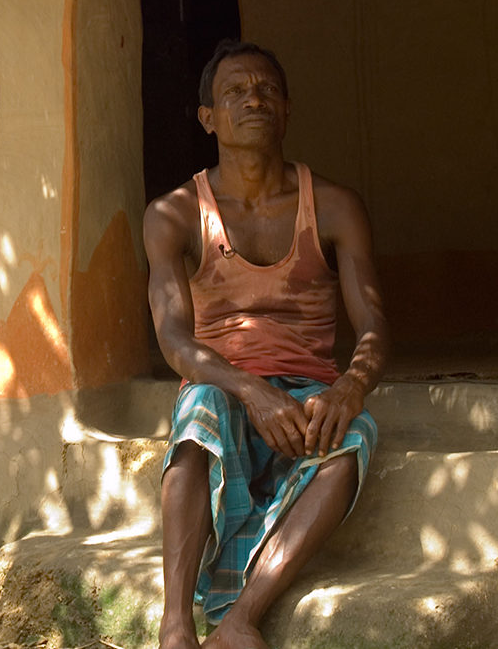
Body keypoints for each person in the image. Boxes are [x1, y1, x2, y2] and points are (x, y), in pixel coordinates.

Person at [145, 40, 388, 649]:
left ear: (287, 109)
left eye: (267, 90)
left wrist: (349, 388)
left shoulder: (333, 206)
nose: (253, 98)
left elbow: (374, 327)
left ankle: (241, 618)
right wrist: (250, 390)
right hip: (224, 384)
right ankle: (176, 625)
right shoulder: (173, 214)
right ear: (207, 117)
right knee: (198, 411)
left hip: (306, 393)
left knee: (355, 438)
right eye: (234, 91)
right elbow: (174, 339)